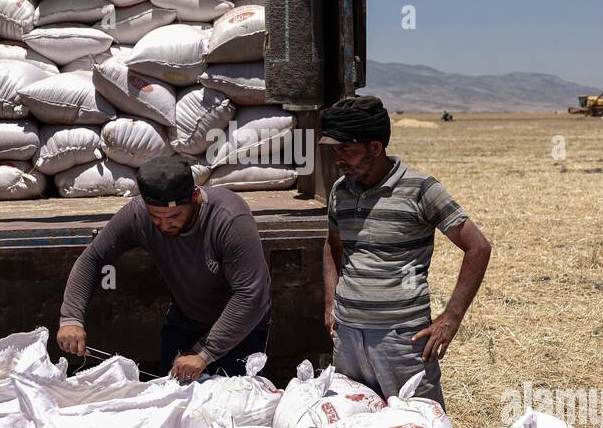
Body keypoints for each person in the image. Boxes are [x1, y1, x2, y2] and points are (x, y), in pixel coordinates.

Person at [320, 95, 492, 406]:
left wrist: (451, 318)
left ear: (375, 148)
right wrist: (331, 302)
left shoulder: (420, 189)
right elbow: (333, 246)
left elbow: (478, 247)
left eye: (347, 150)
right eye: (335, 151)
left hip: (402, 341)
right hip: (347, 339)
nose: (339, 159)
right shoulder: (340, 191)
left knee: (418, 426)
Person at [56, 156, 271, 382]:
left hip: (240, 327)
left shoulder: (228, 218)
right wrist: (71, 319)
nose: (164, 225)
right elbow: (93, 258)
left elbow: (251, 295)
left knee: (229, 405)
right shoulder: (138, 213)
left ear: (195, 196)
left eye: (175, 216)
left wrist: (204, 353)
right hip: (186, 319)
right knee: (170, 401)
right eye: (155, 217)